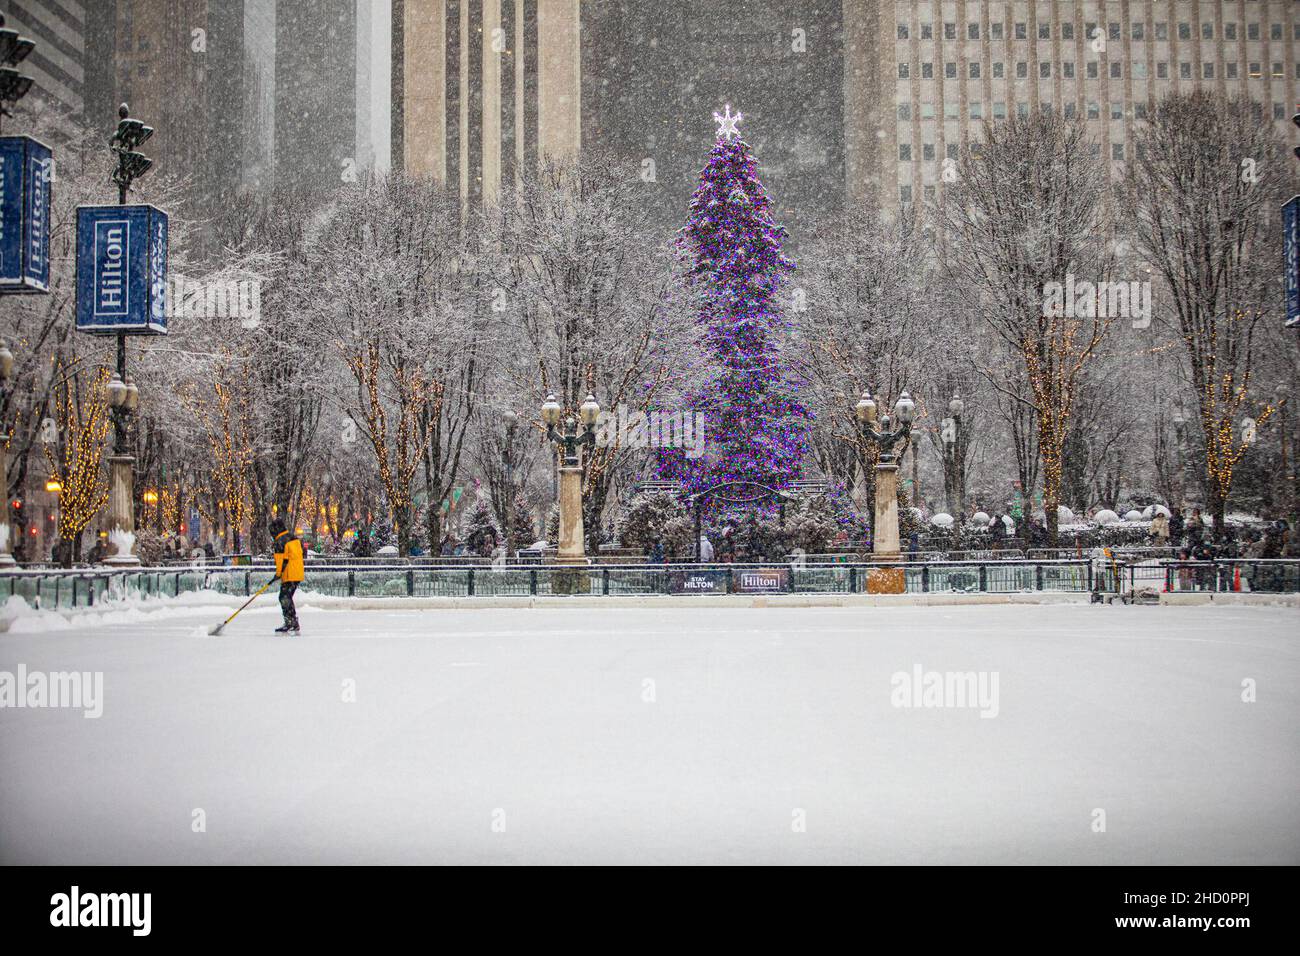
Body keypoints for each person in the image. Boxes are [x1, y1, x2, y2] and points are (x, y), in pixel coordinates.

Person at [270, 518, 304, 635]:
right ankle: (293, 622)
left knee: (284, 597)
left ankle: (290, 622)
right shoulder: (293, 537)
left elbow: (280, 560)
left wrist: (278, 574)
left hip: (289, 574)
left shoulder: (280, 541)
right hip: (297, 573)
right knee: (287, 597)